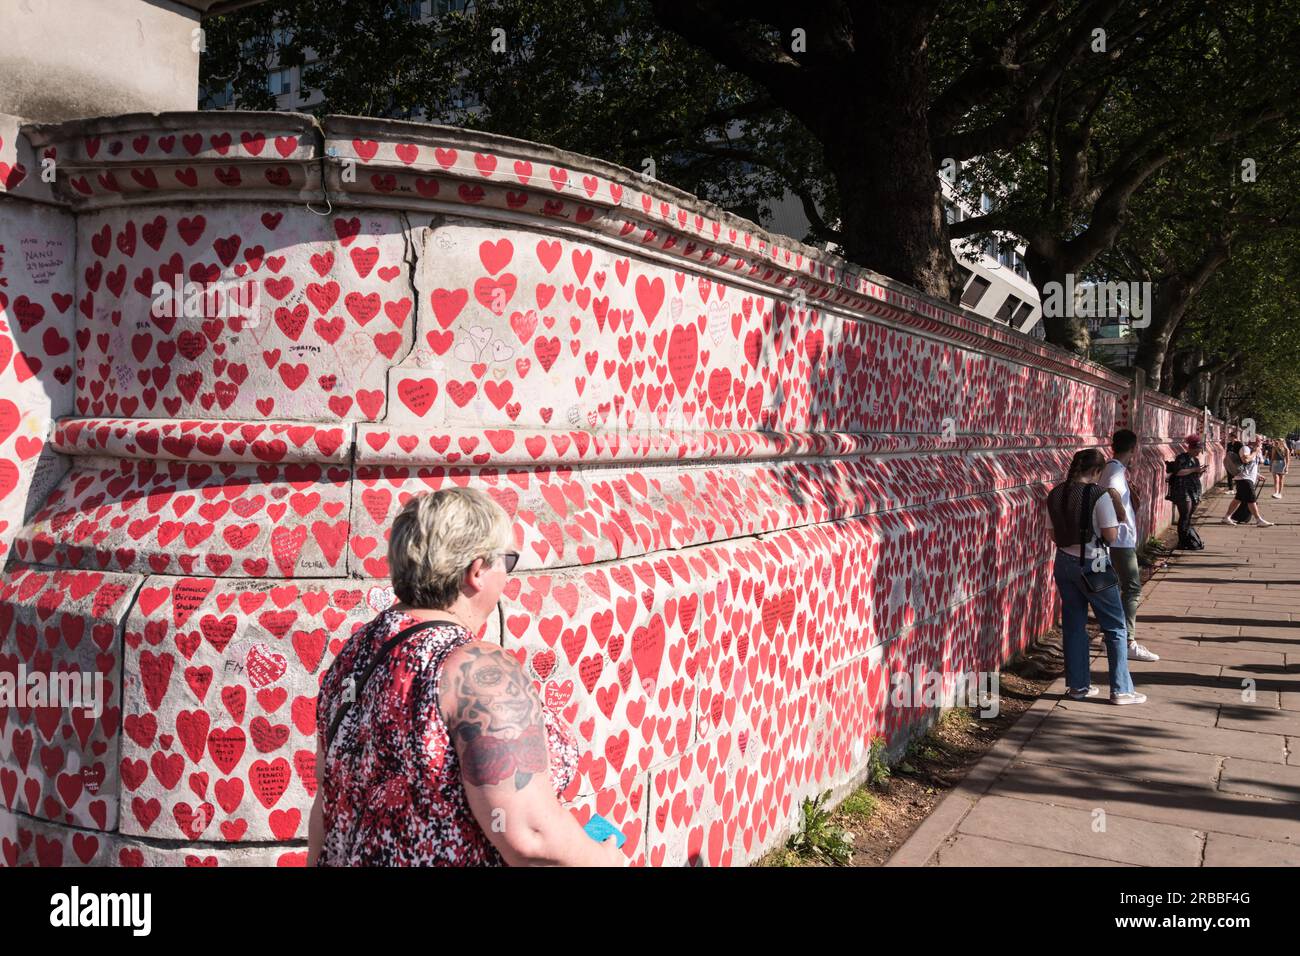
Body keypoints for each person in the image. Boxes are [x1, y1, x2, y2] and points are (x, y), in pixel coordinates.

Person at [308, 487, 624, 867]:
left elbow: (327, 807)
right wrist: (605, 860)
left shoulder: (355, 654)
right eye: (506, 560)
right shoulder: (476, 671)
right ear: (476, 571)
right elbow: (531, 836)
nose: (506, 575)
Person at [1047, 448, 1146, 705]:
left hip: (1063, 563)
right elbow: (1111, 536)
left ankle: (1078, 686)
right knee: (1115, 626)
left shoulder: (1055, 493)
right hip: (1095, 563)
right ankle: (1121, 690)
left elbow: (1053, 534)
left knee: (1073, 625)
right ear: (1096, 471)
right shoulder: (1097, 495)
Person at [1099, 430, 1160, 662]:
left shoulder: (1113, 467)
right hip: (1120, 541)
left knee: (1119, 588)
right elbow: (1110, 491)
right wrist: (1121, 514)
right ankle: (1127, 640)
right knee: (1132, 587)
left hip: (1119, 539)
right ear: (1134, 448)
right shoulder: (1114, 468)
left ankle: (1114, 638)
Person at [1222, 438, 1275, 527]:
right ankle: (1259, 520)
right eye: (1259, 440)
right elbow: (1245, 460)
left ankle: (1226, 517)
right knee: (1251, 499)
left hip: (1247, 478)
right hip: (1244, 479)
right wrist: (1255, 452)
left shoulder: (1255, 451)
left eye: (1261, 440)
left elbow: (1250, 466)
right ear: (1253, 440)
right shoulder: (1246, 448)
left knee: (1238, 499)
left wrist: (1257, 475)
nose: (1261, 442)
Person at [1167, 434, 1207, 550]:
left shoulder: (1196, 460)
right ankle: (1182, 540)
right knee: (1184, 515)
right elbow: (1178, 472)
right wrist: (1194, 469)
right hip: (1182, 489)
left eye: (1199, 451)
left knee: (1188, 516)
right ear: (1190, 448)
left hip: (1194, 490)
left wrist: (1200, 471)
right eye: (1196, 451)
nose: (1198, 453)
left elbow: (1196, 475)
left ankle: (1186, 539)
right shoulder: (1181, 458)